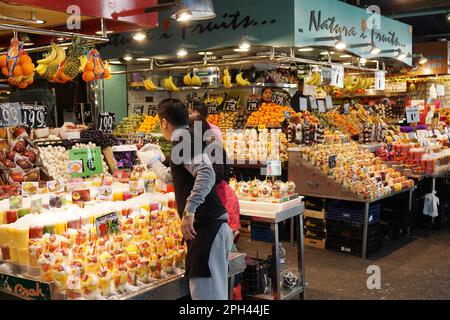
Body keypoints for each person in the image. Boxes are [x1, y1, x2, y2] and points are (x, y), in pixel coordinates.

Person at [138, 98, 233, 300]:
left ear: (164, 123)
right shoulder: (187, 138)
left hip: (208, 227)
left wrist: (189, 211)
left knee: (207, 297)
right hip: (209, 227)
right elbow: (175, 176)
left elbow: (206, 173)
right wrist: (153, 162)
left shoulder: (183, 140)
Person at [188, 101, 241, 236]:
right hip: (219, 198)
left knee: (221, 239)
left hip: (219, 199)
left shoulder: (210, 146)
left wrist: (199, 176)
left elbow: (217, 174)